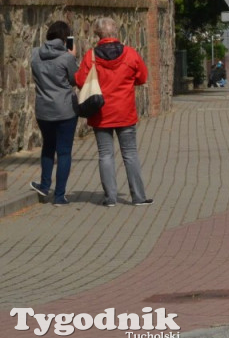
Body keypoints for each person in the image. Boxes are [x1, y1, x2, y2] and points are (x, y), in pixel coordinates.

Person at [75, 17, 152, 207]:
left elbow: (79, 81)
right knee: (130, 153)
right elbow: (142, 77)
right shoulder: (130, 54)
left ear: (97, 34)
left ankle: (110, 198)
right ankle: (138, 197)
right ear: (116, 31)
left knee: (105, 154)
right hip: (125, 112)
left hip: (101, 113)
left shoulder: (91, 56)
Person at [29, 20, 79, 205]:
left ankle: (44, 186)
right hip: (65, 110)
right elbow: (75, 80)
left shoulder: (35, 54)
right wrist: (73, 57)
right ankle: (59, 196)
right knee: (64, 152)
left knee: (48, 147)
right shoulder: (66, 58)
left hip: (43, 110)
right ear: (66, 39)